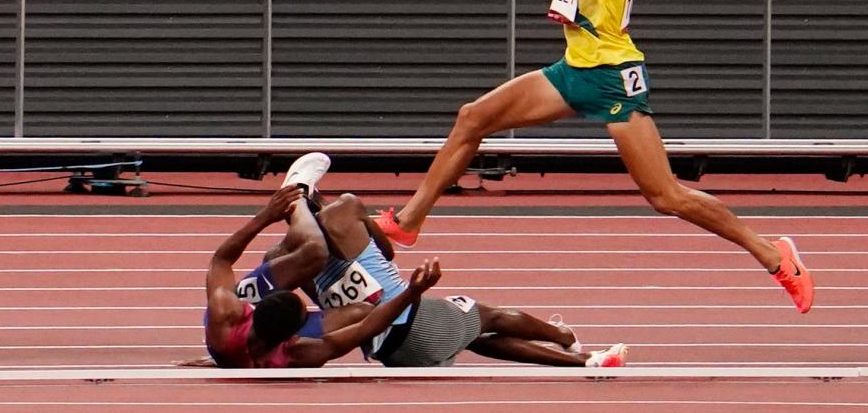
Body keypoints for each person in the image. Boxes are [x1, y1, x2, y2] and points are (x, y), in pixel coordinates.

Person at [375, 0, 814, 314]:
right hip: (575, 70)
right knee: (473, 117)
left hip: (611, 75)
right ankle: (410, 221)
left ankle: (775, 256)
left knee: (665, 195)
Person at [240, 153, 629, 368]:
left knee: (477, 338)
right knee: (486, 316)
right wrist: (371, 231)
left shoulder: (283, 257)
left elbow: (276, 313)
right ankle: (565, 338)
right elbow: (391, 252)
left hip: (387, 351)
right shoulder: (346, 207)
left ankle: (586, 362)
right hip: (414, 319)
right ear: (318, 196)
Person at [203, 154, 442, 368]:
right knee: (363, 308)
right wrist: (412, 291)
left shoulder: (224, 311)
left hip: (243, 319)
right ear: (294, 335)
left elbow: (221, 261)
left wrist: (267, 215)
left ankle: (298, 198)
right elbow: (366, 327)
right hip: (269, 326)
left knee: (314, 253)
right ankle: (300, 197)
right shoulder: (298, 353)